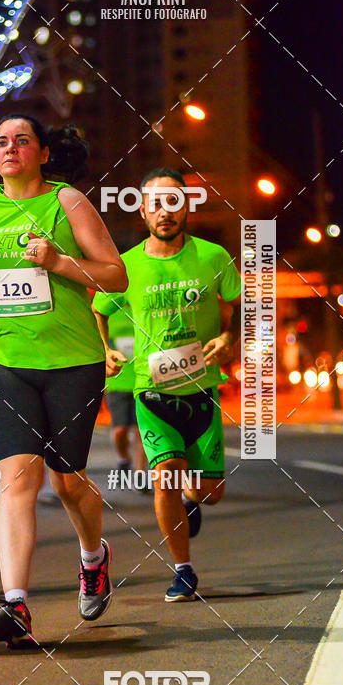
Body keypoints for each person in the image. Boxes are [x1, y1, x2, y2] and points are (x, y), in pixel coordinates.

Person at [0, 114, 127, 646]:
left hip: (72, 362)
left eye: (22, 140)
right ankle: (16, 606)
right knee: (17, 481)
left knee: (67, 480)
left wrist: (58, 260)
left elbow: (115, 274)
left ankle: (93, 556)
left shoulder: (68, 202)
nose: (10, 148)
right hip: (7, 361)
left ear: (42, 153)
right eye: (1, 142)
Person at [93, 168, 241, 602]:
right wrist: (104, 349)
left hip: (202, 393)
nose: (165, 211)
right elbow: (98, 309)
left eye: (174, 202)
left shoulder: (213, 257)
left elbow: (238, 304)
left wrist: (229, 337)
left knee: (210, 493)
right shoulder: (127, 266)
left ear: (187, 207)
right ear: (142, 210)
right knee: (165, 478)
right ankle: (183, 569)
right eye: (156, 203)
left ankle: (193, 499)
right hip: (151, 393)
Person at [95, 302, 147, 478]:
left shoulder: (142, 309)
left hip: (144, 380)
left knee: (141, 431)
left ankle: (140, 473)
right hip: (117, 382)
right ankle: (123, 458)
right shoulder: (107, 312)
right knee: (120, 431)